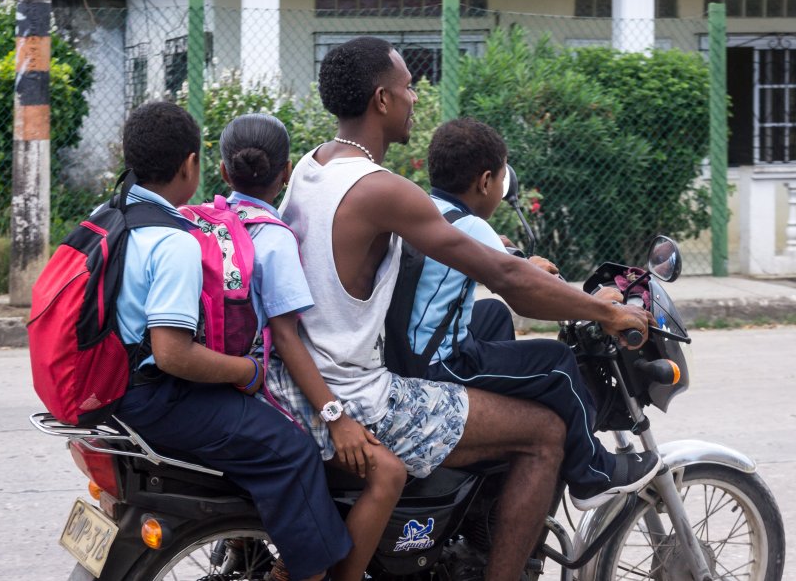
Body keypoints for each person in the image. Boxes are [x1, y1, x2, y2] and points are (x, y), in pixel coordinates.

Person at [278, 36, 651, 581]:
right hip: (357, 397)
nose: (414, 99)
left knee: (490, 326)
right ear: (382, 100)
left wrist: (518, 261)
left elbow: (474, 259)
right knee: (546, 431)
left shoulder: (312, 166)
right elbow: (505, 280)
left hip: (306, 379)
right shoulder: (382, 188)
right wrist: (607, 313)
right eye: (407, 88)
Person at [110, 102, 352, 581]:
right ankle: (309, 571)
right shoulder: (175, 237)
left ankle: (246, 543)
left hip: (114, 381)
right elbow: (175, 352)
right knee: (294, 451)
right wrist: (250, 372)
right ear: (193, 165)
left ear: (220, 168)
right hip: (157, 393)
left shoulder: (120, 214)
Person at [407, 117, 660, 509]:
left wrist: (515, 260)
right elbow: (525, 294)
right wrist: (604, 311)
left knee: (490, 314)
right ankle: (591, 474)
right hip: (439, 366)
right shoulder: (472, 227)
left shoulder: (429, 209)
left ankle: (499, 421)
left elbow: (498, 263)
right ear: (486, 181)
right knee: (556, 362)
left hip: (412, 350)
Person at [216, 113, 406, 581]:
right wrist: (335, 415)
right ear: (286, 174)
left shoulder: (213, 221)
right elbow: (286, 336)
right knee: (389, 472)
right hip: (274, 377)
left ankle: (246, 545)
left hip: (230, 374)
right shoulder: (276, 238)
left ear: (223, 172)